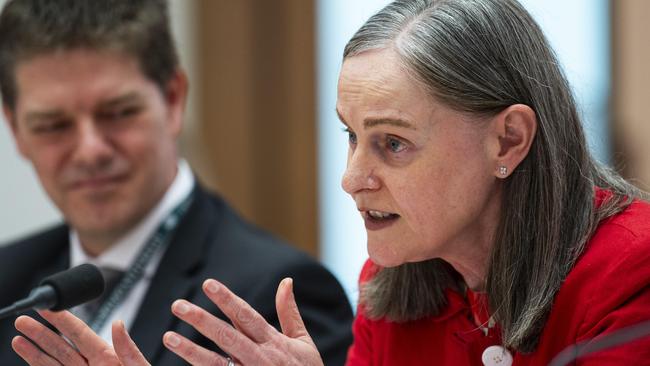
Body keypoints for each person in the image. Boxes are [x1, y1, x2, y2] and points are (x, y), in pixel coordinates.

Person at [11, 0, 650, 365]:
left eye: (392, 143)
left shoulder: (630, 273)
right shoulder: (392, 290)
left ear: (508, 140)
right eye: (350, 135)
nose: (351, 179)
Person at [0, 0, 353, 365]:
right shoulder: (7, 283)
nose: (90, 151)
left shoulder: (276, 297)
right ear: (16, 130)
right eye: (53, 126)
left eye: (119, 113)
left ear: (173, 99)